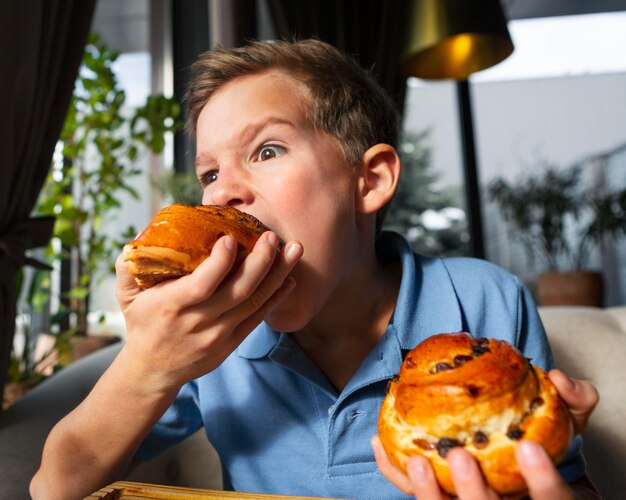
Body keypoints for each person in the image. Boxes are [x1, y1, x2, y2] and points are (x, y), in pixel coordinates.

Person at [31, 39, 600, 500]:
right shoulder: (210, 341)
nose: (223, 193)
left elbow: (569, 480)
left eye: (267, 150)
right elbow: (55, 487)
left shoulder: (483, 301)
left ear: (370, 180)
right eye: (208, 174)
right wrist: (148, 361)